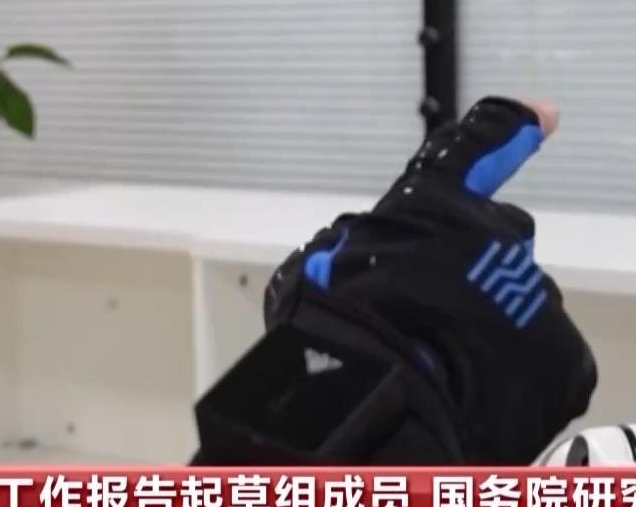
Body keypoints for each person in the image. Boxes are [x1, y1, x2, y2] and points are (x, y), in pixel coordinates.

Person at [192, 97, 599, 465]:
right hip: (415, 466)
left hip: (304, 393)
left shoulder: (429, 197)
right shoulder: (567, 364)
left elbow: (519, 118)